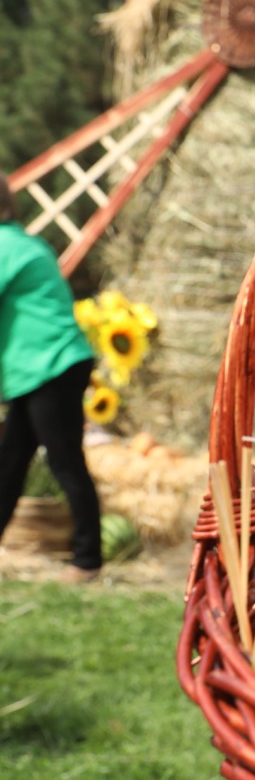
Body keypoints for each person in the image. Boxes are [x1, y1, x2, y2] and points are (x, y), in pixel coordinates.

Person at [0, 181, 104, 582]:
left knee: (64, 460)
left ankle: (87, 561)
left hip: (52, 365)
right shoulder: (28, 244)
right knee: (10, 461)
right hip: (43, 367)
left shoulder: (6, 248)